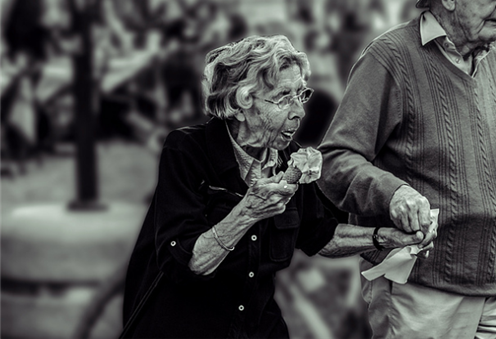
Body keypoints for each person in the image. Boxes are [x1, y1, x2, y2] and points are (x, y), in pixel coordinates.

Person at [318, 0, 496, 337]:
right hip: (420, 285)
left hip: (493, 281)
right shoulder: (390, 57)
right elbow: (335, 160)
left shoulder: (492, 63)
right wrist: (394, 194)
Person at [122, 35, 429, 339]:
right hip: (187, 327)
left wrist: (389, 237)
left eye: (301, 94)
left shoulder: (288, 159)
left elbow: (320, 235)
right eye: (283, 97)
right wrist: (247, 212)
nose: (299, 112)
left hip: (257, 328)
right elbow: (189, 262)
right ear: (240, 103)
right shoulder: (187, 151)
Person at [324, 0, 387, 86]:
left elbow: (384, 13)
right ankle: (347, 98)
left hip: (364, 34)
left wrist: (381, 33)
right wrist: (331, 34)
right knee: (344, 73)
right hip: (344, 35)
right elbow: (326, 12)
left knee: (366, 68)